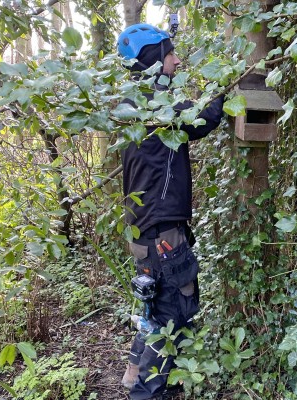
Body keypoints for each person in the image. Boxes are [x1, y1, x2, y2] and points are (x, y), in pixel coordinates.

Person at [116, 23, 224, 400]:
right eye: (170, 53)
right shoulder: (156, 108)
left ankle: (134, 378)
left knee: (153, 306)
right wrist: (227, 89)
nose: (177, 60)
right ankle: (145, 393)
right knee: (171, 312)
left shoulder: (131, 106)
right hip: (163, 234)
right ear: (153, 61)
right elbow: (202, 119)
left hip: (144, 234)